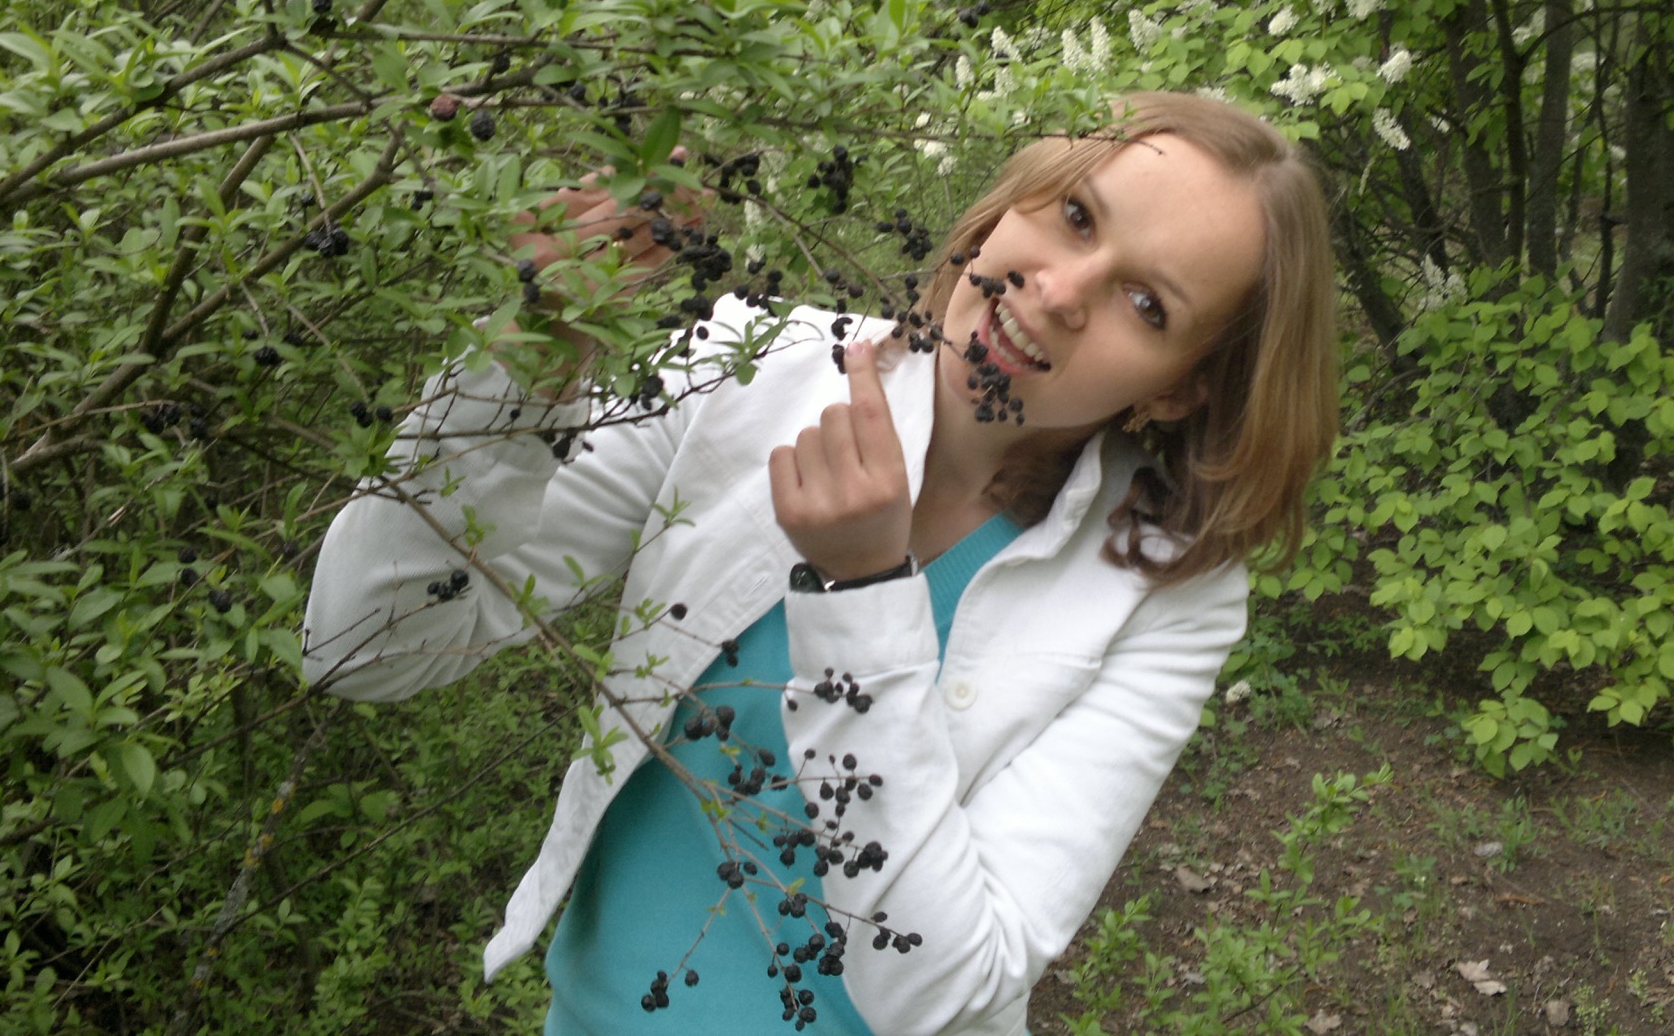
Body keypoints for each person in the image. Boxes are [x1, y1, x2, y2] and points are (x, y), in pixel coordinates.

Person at [301, 91, 1339, 1036]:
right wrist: (523, 367)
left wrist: (864, 595)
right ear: (1016, 199)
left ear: (1177, 389)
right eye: (1075, 214)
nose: (1063, 288)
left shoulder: (1165, 594)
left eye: (1147, 304)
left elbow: (947, 991)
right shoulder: (754, 371)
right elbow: (364, 647)